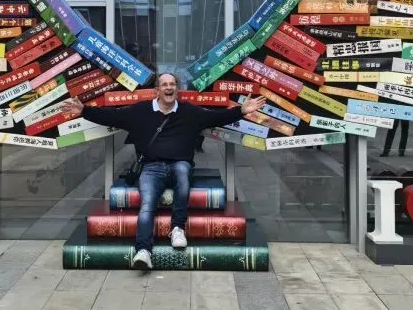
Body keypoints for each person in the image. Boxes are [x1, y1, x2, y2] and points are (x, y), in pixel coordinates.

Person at [60, 73, 266, 270]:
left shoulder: (189, 112)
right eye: (164, 85)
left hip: (180, 164)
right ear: (157, 90)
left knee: (183, 175)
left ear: (177, 89)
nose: (169, 88)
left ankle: (177, 228)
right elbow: (111, 116)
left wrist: (241, 110)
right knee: (147, 204)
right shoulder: (139, 111)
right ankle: (143, 251)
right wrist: (84, 110)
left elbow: (216, 117)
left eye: (172, 84)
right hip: (151, 167)